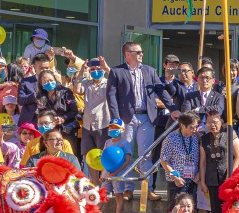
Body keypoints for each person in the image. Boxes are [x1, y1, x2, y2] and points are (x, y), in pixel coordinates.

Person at [106, 42, 174, 196]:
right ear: (128, 54)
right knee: (126, 154)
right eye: (138, 52)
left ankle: (147, 189)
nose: (141, 54)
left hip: (146, 117)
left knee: (146, 154)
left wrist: (173, 109)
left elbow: (161, 91)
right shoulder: (117, 72)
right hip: (126, 119)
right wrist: (116, 120)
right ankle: (127, 189)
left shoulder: (149, 71)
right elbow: (111, 97)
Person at [197, 113, 239, 213]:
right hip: (212, 179)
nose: (213, 125)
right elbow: (203, 162)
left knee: (228, 209)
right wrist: (202, 182)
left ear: (221, 121)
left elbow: (238, 157)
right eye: (209, 122)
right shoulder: (204, 139)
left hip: (227, 177)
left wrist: (230, 175)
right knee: (215, 212)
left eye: (215, 122)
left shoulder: (230, 134)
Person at [160, 111, 200, 204]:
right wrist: (175, 177)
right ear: (182, 125)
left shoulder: (195, 137)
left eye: (196, 126)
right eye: (191, 127)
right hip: (176, 182)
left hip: (192, 180)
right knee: (175, 209)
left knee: (191, 211)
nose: (194, 129)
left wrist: (198, 175)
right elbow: (164, 161)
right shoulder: (171, 138)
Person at [80, 58, 110, 182]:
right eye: (93, 69)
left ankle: (105, 182)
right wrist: (82, 70)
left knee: (104, 155)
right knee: (89, 154)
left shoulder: (109, 83)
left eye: (98, 69)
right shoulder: (87, 83)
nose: (96, 71)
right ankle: (94, 181)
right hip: (88, 124)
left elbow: (120, 82)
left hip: (103, 123)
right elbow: (77, 89)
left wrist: (107, 68)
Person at [101, 119, 132, 213]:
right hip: (108, 173)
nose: (113, 129)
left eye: (116, 128)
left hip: (119, 174)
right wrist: (103, 174)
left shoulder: (125, 143)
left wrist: (117, 172)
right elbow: (105, 158)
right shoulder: (107, 142)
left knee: (118, 195)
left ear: (122, 130)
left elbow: (127, 160)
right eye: (111, 127)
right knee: (102, 194)